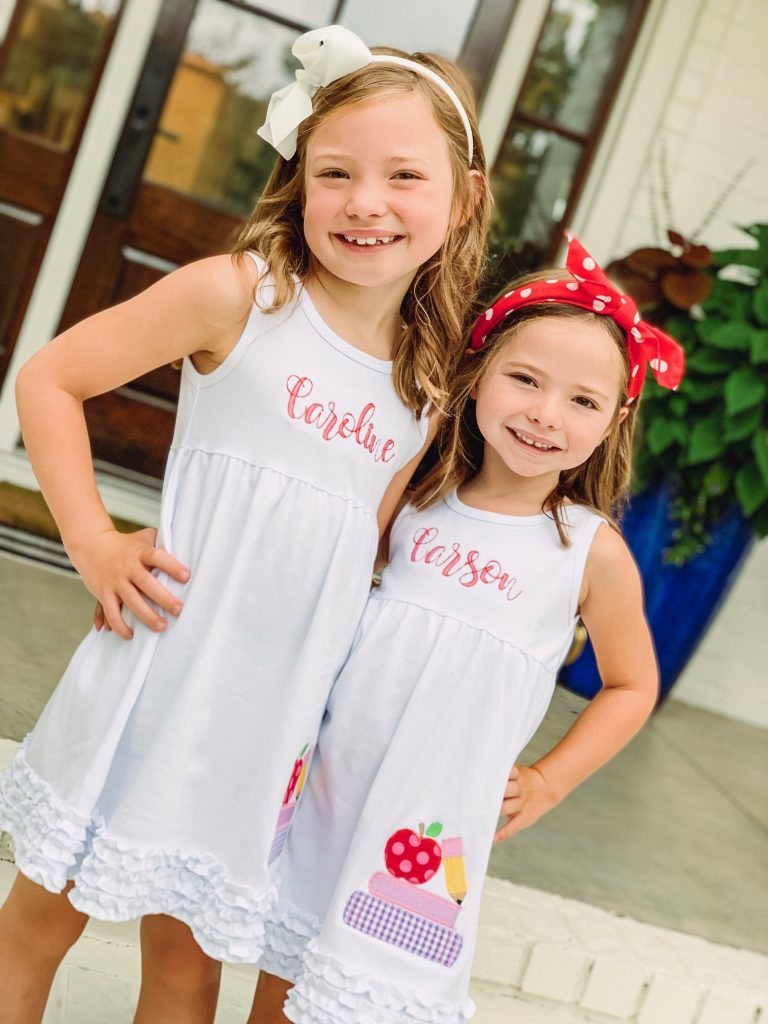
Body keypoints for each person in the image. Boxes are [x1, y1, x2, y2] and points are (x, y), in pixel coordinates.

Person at [0, 25, 490, 1024]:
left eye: (404, 175)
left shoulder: (432, 384)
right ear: (298, 178)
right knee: (37, 922)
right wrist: (93, 538)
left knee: (187, 966)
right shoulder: (244, 296)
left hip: (271, 721)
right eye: (336, 172)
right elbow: (52, 377)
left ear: (465, 197)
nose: (366, 202)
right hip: (154, 666)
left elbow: (372, 560)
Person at [254, 235, 685, 1024]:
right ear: (479, 372)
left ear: (613, 419)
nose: (545, 415)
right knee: (281, 976)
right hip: (332, 783)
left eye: (582, 401)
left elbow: (632, 685)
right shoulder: (414, 500)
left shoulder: (587, 551)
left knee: (366, 995)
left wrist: (551, 778)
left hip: (429, 818)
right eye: (525, 379)